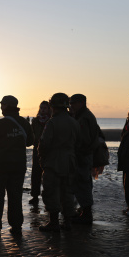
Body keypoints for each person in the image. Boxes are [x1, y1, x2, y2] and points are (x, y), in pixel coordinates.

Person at [0, 95, 34, 238]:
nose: (1, 107)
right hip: (18, 165)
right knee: (15, 196)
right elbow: (30, 141)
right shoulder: (25, 123)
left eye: (2, 105)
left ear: (5, 106)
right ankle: (16, 227)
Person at [38, 93, 81, 232]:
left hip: (53, 161)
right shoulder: (74, 122)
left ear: (53, 106)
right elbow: (79, 143)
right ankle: (67, 222)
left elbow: (44, 144)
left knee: (51, 192)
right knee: (67, 192)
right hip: (70, 161)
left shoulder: (52, 122)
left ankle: (54, 222)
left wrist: (42, 160)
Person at [69, 94, 99, 225]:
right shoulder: (84, 115)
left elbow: (84, 140)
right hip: (84, 155)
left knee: (83, 184)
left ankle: (86, 214)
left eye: (73, 103)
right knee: (83, 183)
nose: (71, 106)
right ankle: (84, 212)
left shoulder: (84, 117)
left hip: (82, 155)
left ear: (81, 103)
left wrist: (77, 151)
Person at [29, 101, 51, 205]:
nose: (43, 110)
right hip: (37, 150)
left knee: (49, 174)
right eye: (41, 108)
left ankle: (49, 195)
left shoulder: (51, 120)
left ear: (48, 109)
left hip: (49, 150)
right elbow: (32, 133)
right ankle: (35, 196)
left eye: (45, 108)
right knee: (35, 174)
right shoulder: (35, 121)